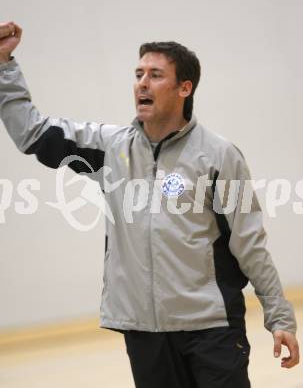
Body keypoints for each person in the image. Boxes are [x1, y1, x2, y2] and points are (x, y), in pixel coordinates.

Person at [0, 21, 300, 388]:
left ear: (184, 88)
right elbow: (32, 132)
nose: (142, 82)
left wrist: (280, 318)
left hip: (211, 329)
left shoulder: (218, 155)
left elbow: (249, 244)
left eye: (155, 75)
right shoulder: (110, 147)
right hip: (144, 333)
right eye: (138, 73)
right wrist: (4, 65)